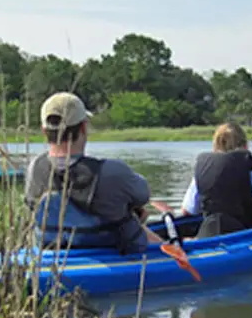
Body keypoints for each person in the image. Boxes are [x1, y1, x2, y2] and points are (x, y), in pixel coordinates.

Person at [24, 92, 163, 254]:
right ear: (83, 127)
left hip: (54, 255)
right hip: (114, 253)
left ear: (44, 131)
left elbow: (31, 204)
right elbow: (143, 195)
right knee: (133, 216)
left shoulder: (34, 168)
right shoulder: (113, 172)